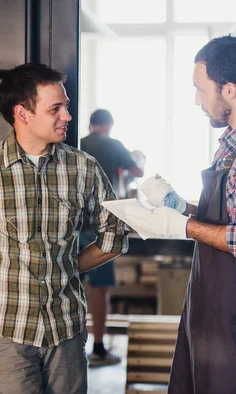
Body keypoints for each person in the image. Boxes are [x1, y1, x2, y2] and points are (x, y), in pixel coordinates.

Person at [0, 63, 129, 394]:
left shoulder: (84, 168)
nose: (67, 115)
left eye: (65, 106)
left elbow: (113, 236)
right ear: (22, 113)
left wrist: (67, 266)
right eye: (56, 108)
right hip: (4, 332)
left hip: (65, 330)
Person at [123, 35, 236, 394]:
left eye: (200, 89)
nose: (196, 100)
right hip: (211, 312)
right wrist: (178, 206)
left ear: (230, 90)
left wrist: (183, 227)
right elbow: (233, 218)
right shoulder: (235, 145)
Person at [79, 109, 144, 367]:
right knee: (99, 289)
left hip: (72, 225)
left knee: (69, 285)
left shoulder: (77, 143)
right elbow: (137, 171)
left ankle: (73, 347)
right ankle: (98, 348)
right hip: (101, 227)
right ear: (108, 125)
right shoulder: (114, 145)